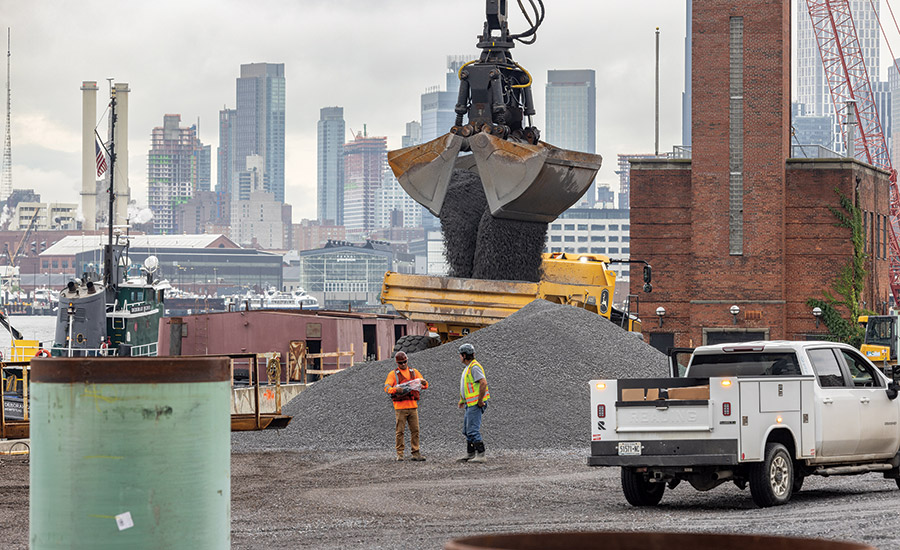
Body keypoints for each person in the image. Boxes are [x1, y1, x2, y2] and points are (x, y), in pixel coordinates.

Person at [384, 350, 428, 461]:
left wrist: (423, 382)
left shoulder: (414, 372)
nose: (403, 364)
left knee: (415, 430)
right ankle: (400, 454)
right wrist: (395, 389)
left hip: (413, 406)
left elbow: (425, 385)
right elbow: (386, 387)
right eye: (401, 363)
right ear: (397, 363)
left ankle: (416, 452)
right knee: (400, 431)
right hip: (400, 408)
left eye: (404, 362)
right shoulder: (393, 374)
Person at [457, 342, 489, 463]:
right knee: (466, 430)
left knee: (472, 430)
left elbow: (483, 383)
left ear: (464, 355)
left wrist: (480, 400)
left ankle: (481, 454)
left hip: (476, 404)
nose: (459, 357)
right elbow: (468, 386)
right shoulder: (468, 367)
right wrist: (463, 400)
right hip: (470, 403)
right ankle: (470, 453)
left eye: (460, 355)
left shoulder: (474, 367)